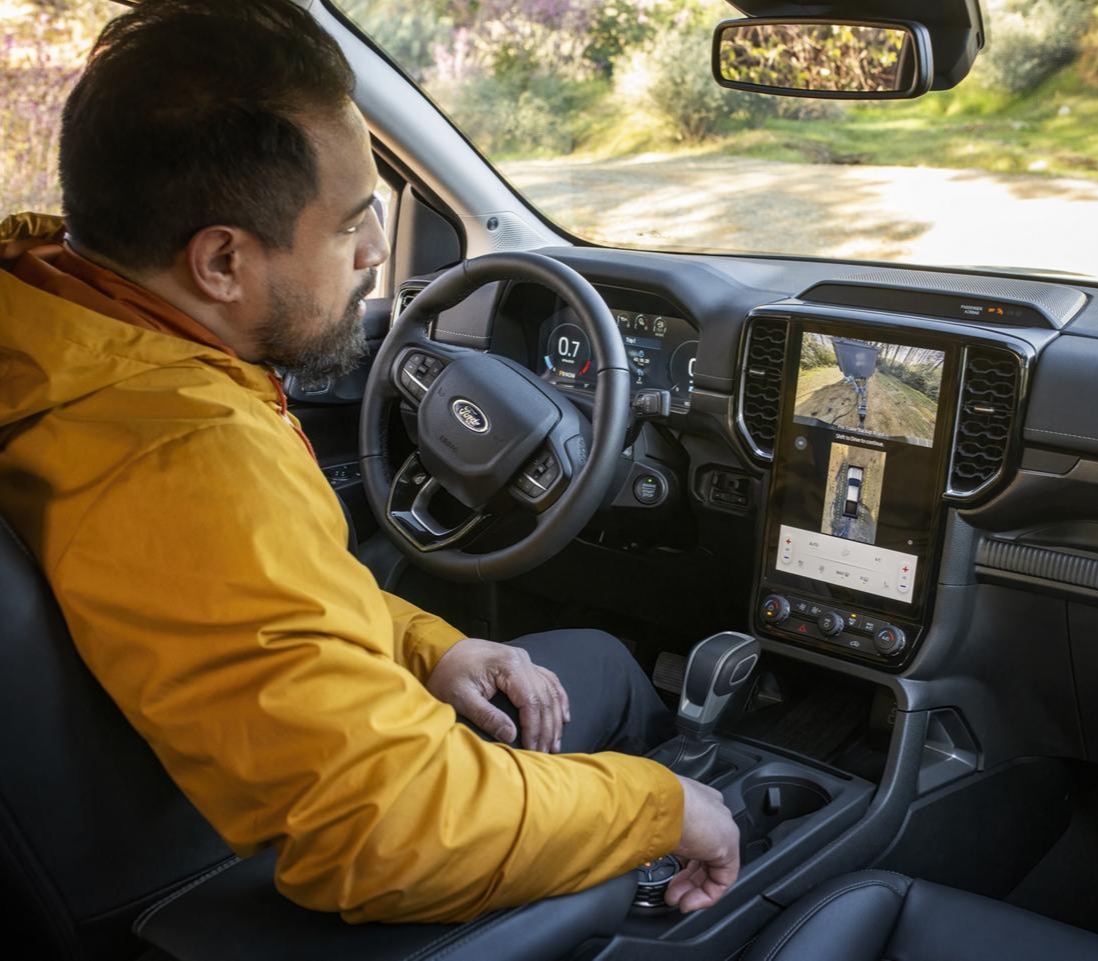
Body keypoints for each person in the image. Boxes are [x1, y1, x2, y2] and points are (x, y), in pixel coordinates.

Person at [0, 0, 738, 924]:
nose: (376, 251)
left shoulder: (53, 330)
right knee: (611, 673)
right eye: (352, 221)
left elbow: (248, 599)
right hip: (213, 868)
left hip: (161, 795)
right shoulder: (185, 454)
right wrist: (659, 808)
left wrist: (428, 644)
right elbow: (384, 829)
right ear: (221, 260)